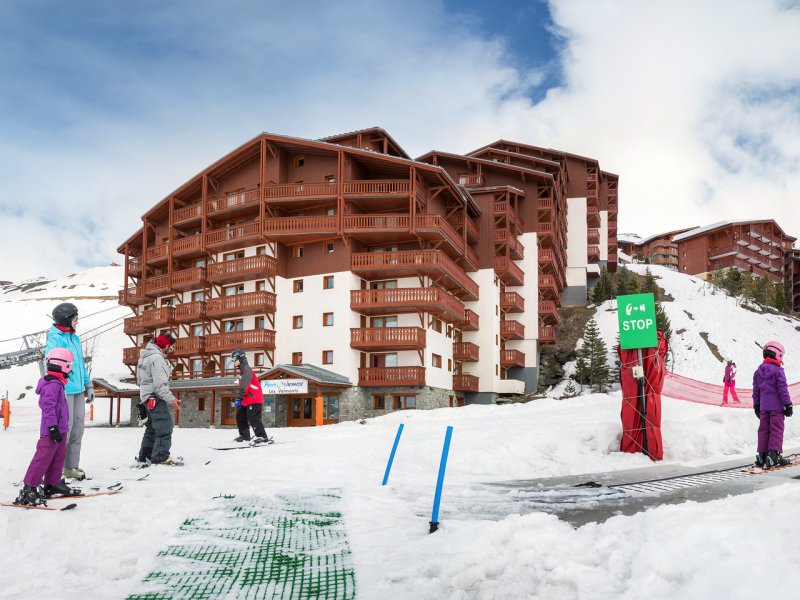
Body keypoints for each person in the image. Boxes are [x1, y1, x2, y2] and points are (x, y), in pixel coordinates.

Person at [14, 349, 77, 506]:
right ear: (61, 365)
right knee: (42, 458)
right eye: (69, 365)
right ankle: (29, 488)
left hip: (60, 429)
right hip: (51, 430)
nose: (70, 368)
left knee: (58, 457)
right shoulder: (51, 385)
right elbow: (47, 407)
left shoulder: (58, 384)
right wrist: (53, 427)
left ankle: (52, 484)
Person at [44, 302, 94, 480]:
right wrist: (60, 382)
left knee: (77, 429)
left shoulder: (75, 338)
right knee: (65, 428)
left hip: (78, 390)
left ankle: (71, 466)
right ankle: (55, 468)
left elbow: (80, 364)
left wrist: (88, 384)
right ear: (66, 320)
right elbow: (51, 363)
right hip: (64, 390)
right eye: (75, 318)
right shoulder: (55, 338)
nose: (77, 322)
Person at [136, 333, 180, 465]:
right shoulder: (157, 358)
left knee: (152, 427)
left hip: (146, 396)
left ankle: (146, 454)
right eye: (170, 347)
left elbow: (140, 380)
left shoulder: (144, 357)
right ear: (165, 346)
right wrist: (171, 399)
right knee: (164, 426)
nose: (170, 350)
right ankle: (160, 457)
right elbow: (160, 385)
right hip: (155, 396)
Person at [753, 340, 793, 469]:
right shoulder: (778, 371)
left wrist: (757, 405)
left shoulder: (758, 372)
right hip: (776, 408)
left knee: (764, 430)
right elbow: (782, 389)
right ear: (778, 355)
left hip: (764, 408)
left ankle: (762, 455)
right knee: (776, 430)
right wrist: (788, 404)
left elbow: (756, 390)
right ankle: (773, 456)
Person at [231, 349, 271, 444]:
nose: (233, 361)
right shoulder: (242, 370)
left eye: (234, 359)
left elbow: (244, 386)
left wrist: (239, 398)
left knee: (252, 417)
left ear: (241, 358)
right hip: (247, 400)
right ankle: (245, 436)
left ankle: (262, 436)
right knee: (240, 416)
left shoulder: (247, 370)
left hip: (254, 399)